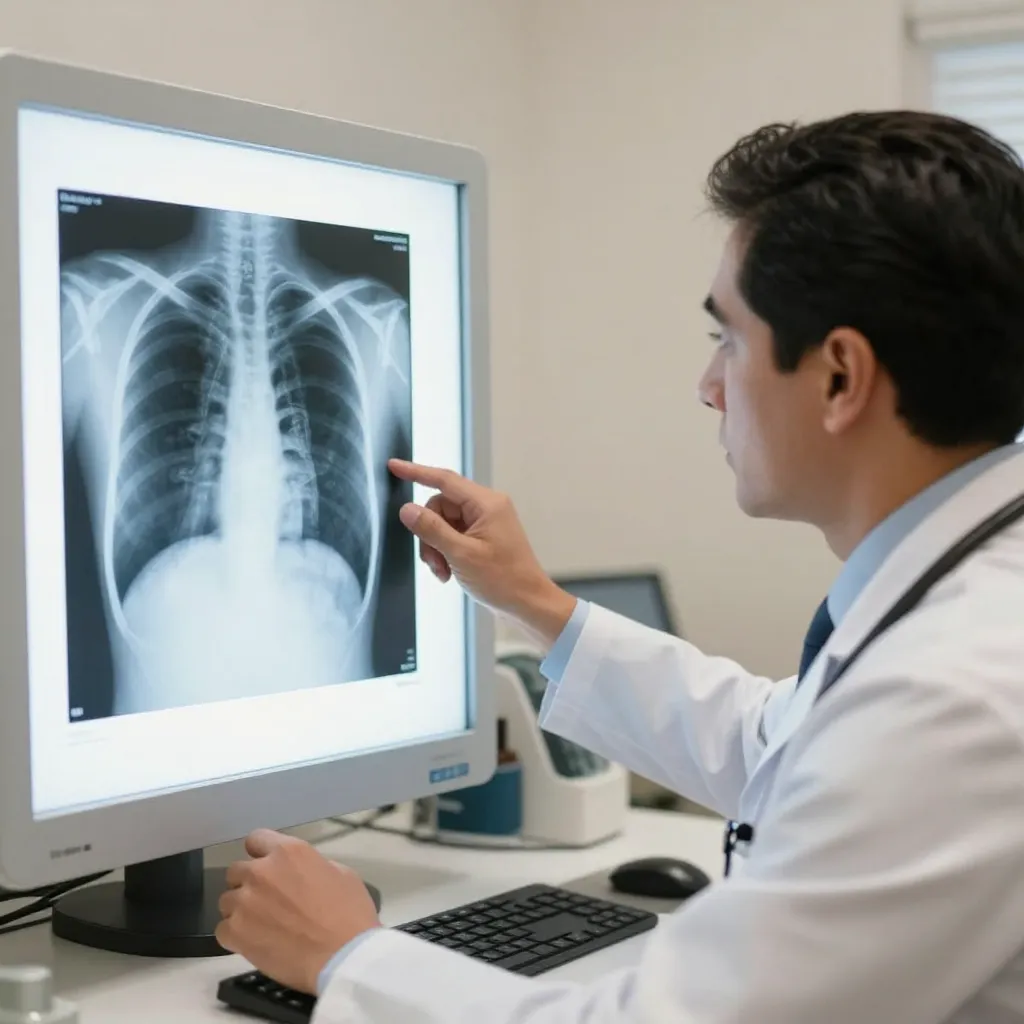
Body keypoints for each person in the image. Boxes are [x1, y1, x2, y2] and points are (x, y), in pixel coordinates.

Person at [215, 111, 1024, 1023]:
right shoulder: (965, 607)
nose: (709, 386)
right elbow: (779, 745)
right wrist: (535, 602)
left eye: (729, 339)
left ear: (840, 377)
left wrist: (351, 958)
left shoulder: (956, 697)